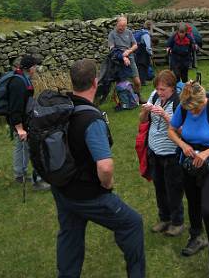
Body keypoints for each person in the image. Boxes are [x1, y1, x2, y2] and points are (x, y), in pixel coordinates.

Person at [51, 58, 145, 278]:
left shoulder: (63, 107)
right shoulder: (91, 119)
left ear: (73, 82)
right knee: (132, 223)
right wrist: (107, 184)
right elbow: (105, 166)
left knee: (70, 235)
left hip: (62, 188)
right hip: (87, 194)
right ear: (95, 82)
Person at [168, 81, 209, 278]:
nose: (193, 113)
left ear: (202, 100)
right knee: (193, 202)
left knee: (208, 209)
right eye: (189, 109)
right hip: (189, 162)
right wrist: (182, 145)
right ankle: (196, 237)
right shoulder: (184, 106)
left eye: (195, 109)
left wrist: (206, 154)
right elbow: (171, 129)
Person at [139, 70, 184, 236]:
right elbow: (143, 120)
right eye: (157, 88)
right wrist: (146, 110)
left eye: (163, 89)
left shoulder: (178, 102)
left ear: (172, 88)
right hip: (154, 151)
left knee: (173, 188)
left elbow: (182, 131)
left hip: (171, 154)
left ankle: (178, 222)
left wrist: (165, 115)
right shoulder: (154, 96)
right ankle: (164, 218)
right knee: (159, 187)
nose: (159, 92)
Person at [8, 54, 50, 191]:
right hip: (20, 121)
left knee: (22, 146)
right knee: (33, 147)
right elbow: (15, 107)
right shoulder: (18, 83)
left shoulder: (22, 79)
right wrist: (20, 128)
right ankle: (37, 180)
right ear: (30, 68)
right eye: (35, 66)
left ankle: (20, 174)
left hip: (22, 120)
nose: (36, 68)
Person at [108, 16, 143, 102]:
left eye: (124, 26)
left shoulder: (129, 33)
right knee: (120, 83)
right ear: (117, 24)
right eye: (120, 26)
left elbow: (135, 45)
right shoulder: (112, 35)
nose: (122, 28)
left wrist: (129, 51)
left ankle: (138, 97)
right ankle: (123, 101)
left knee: (137, 81)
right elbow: (112, 49)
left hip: (130, 58)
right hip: (118, 61)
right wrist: (122, 56)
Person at [134, 20, 153, 86]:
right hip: (143, 52)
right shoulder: (146, 34)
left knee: (139, 66)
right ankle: (142, 82)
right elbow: (148, 46)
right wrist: (150, 53)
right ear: (150, 26)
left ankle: (140, 81)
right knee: (143, 66)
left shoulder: (141, 31)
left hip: (138, 51)